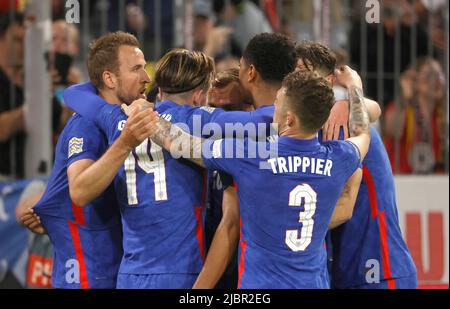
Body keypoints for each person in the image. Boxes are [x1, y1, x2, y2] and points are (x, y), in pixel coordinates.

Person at [145, 66, 372, 289]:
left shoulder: (251, 156)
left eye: (278, 103)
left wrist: (142, 114)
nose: (274, 107)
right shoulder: (338, 158)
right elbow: (362, 132)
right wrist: (355, 86)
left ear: (290, 119)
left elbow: (181, 144)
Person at [18, 31, 156, 289]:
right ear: (109, 78)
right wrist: (125, 142)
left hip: (114, 266)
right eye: (136, 69)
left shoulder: (119, 118)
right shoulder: (84, 127)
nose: (146, 77)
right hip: (86, 272)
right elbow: (79, 190)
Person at [297, 41, 418, 289]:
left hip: (380, 272)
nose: (301, 82)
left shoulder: (344, 126)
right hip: (348, 275)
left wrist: (352, 94)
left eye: (308, 74)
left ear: (329, 82)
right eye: (296, 75)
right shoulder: (315, 127)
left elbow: (341, 211)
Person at [384, 57, 446, 174]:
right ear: (414, 81)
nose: (438, 81)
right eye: (430, 75)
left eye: (441, 75)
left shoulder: (442, 113)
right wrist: (405, 95)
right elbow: (393, 130)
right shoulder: (402, 107)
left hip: (437, 181)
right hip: (400, 179)